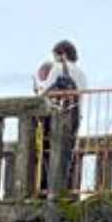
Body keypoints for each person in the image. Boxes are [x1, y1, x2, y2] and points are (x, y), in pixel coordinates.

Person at [34, 40, 88, 194]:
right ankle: (67, 189)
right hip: (75, 117)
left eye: (55, 56)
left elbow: (44, 93)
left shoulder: (57, 68)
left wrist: (39, 89)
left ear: (62, 54)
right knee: (68, 154)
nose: (54, 60)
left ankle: (49, 189)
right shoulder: (82, 73)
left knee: (50, 153)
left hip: (57, 117)